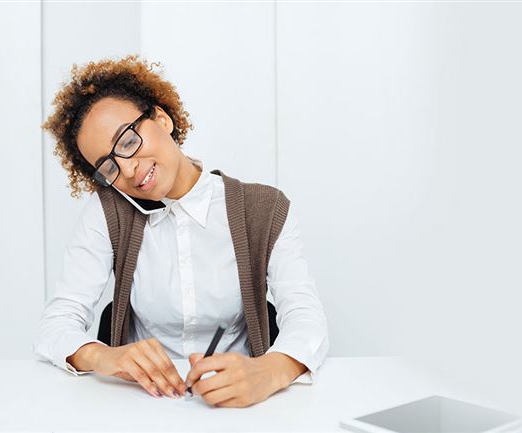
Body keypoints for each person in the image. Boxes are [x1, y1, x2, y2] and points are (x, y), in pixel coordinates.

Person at [34, 54, 329, 408]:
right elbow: (57, 323)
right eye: (108, 167)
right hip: (141, 405)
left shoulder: (264, 208)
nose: (126, 170)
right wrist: (104, 357)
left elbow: (306, 317)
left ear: (162, 119)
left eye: (128, 142)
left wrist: (269, 371)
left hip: (240, 408)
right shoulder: (106, 212)